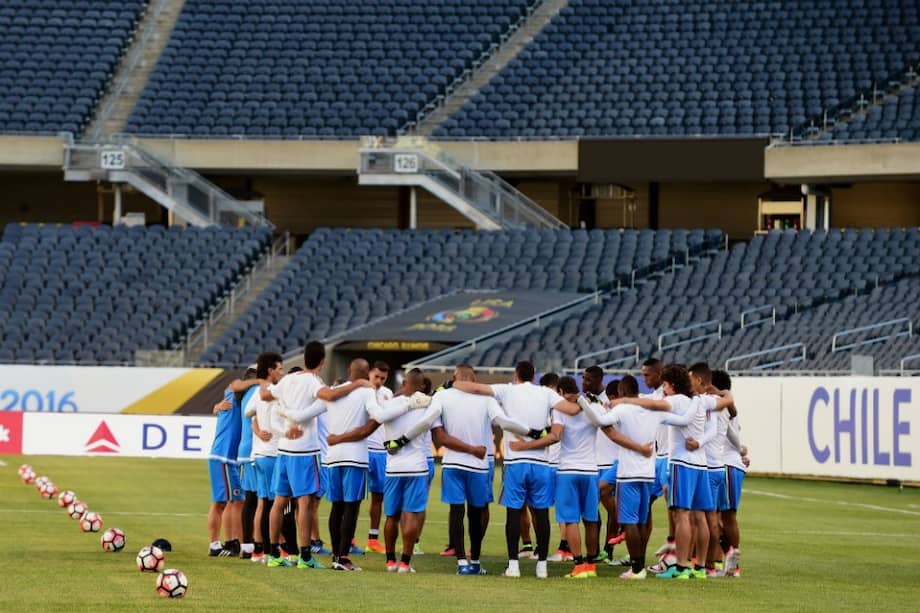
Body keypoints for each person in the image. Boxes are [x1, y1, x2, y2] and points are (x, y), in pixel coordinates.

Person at [453, 361, 582, 579]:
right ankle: (542, 566)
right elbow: (572, 409)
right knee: (541, 514)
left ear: (516, 375)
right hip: (541, 462)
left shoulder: (507, 389)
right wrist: (584, 400)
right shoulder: (546, 393)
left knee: (513, 512)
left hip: (516, 461)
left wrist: (452, 383)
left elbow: (475, 388)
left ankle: (513, 565)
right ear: (533, 376)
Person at [613, 364, 733, 579]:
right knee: (701, 516)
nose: (664, 389)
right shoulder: (700, 400)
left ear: (672, 384)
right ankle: (701, 568)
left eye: (666, 385)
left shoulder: (676, 400)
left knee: (681, 514)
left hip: (682, 463)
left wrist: (625, 400)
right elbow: (727, 401)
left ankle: (681, 567)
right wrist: (721, 392)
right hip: (701, 464)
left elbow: (652, 404)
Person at [262, 341, 372, 569]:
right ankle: (304, 556)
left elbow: (265, 395)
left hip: (283, 448)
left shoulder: (287, 380)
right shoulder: (313, 381)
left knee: (279, 502)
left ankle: (273, 554)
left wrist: (285, 413)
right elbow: (329, 396)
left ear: (304, 358)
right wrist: (357, 384)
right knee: (305, 503)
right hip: (304, 450)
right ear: (322, 362)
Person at [579, 374, 690, 579]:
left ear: (621, 392)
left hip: (628, 473)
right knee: (641, 520)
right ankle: (639, 565)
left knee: (629, 522)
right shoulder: (653, 410)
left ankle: (637, 569)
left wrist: (582, 403)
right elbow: (684, 420)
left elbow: (600, 421)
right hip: (648, 474)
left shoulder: (622, 409)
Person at [427, 365, 532, 575]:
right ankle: (474, 560)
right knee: (476, 514)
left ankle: (461, 563)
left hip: (452, 464)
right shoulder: (487, 399)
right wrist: (530, 432)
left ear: (454, 378)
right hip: (479, 465)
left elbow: (431, 425)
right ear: (473, 378)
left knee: (456, 512)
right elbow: (502, 422)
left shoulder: (442, 396)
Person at [208, 367, 262, 557]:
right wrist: (258, 382)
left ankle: (229, 542)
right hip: (224, 456)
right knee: (231, 501)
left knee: (231, 501)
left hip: (226, 457)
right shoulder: (235, 392)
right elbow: (235, 384)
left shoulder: (239, 399)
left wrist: (216, 406)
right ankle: (227, 543)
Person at [246, 353, 285, 563]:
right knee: (273, 505)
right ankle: (272, 552)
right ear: (270, 370)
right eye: (279, 369)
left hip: (259, 453)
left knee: (262, 503)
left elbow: (248, 413)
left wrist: (258, 429)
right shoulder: (274, 391)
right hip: (271, 453)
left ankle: (258, 550)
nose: (282, 372)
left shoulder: (259, 391)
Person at [712, 369, 748, 577]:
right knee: (721, 516)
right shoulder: (726, 404)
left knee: (722, 516)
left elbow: (728, 432)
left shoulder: (721, 404)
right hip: (728, 464)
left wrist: (740, 448)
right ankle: (723, 562)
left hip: (725, 463)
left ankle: (723, 562)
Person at [365, 361, 392, 554]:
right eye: (376, 377)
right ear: (369, 374)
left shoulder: (388, 394)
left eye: (383, 378)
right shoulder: (360, 392)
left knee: (378, 497)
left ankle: (373, 539)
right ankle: (349, 539)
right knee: (354, 497)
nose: (379, 381)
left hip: (381, 452)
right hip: (362, 449)